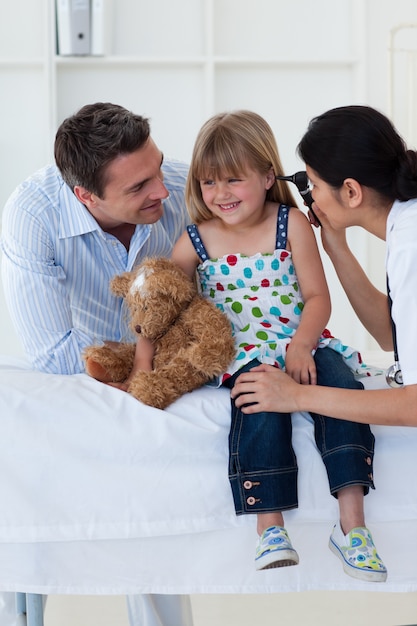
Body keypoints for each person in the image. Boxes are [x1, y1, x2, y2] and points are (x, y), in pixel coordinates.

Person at [169, 109, 387, 581]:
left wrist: (304, 345)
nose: (220, 194)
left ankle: (353, 527)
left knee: (343, 390)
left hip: (300, 341)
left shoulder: (292, 224)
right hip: (241, 352)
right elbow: (164, 302)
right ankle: (270, 526)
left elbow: (316, 297)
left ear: (268, 176)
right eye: (208, 183)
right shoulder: (195, 240)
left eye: (233, 179)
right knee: (258, 404)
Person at [1, 103, 193, 626]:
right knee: (28, 494)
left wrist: (161, 370)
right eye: (138, 188)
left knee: (154, 518)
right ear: (85, 196)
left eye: (157, 168)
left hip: (164, 367)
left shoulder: (179, 186)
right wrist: (130, 371)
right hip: (80, 369)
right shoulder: (33, 214)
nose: (162, 190)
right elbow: (54, 351)